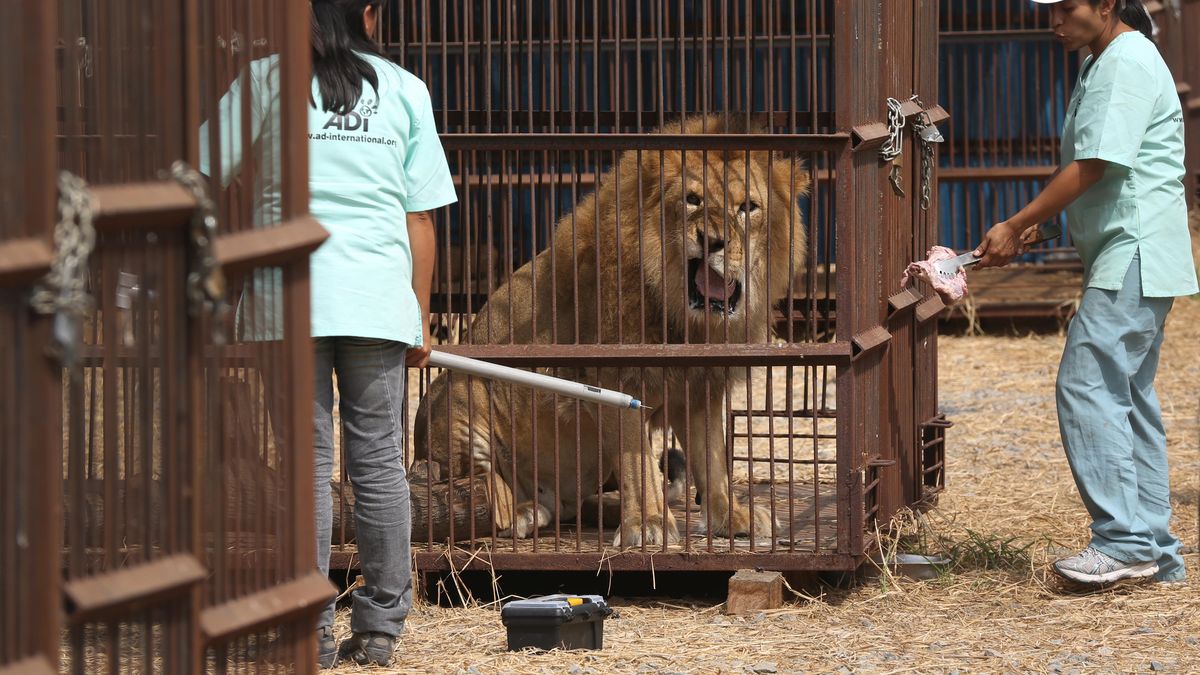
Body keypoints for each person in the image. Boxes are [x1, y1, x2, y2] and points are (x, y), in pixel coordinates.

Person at [201, 0, 456, 667]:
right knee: (378, 462)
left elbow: (200, 173)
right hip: (375, 299)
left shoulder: (263, 81)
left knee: (306, 469)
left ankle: (307, 627)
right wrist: (418, 318)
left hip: (285, 298)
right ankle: (379, 628)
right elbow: (419, 221)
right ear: (370, 13)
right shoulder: (405, 89)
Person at [973, 0, 1196, 587]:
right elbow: (1118, 170)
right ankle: (1155, 549)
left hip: (1135, 249)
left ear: (1104, 5)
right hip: (1135, 249)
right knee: (1129, 398)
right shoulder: (1101, 60)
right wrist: (1042, 229)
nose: (1053, 20)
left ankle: (1122, 543)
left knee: (1086, 382)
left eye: (1066, 7)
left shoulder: (1123, 60)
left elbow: (1094, 165)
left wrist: (1017, 223)